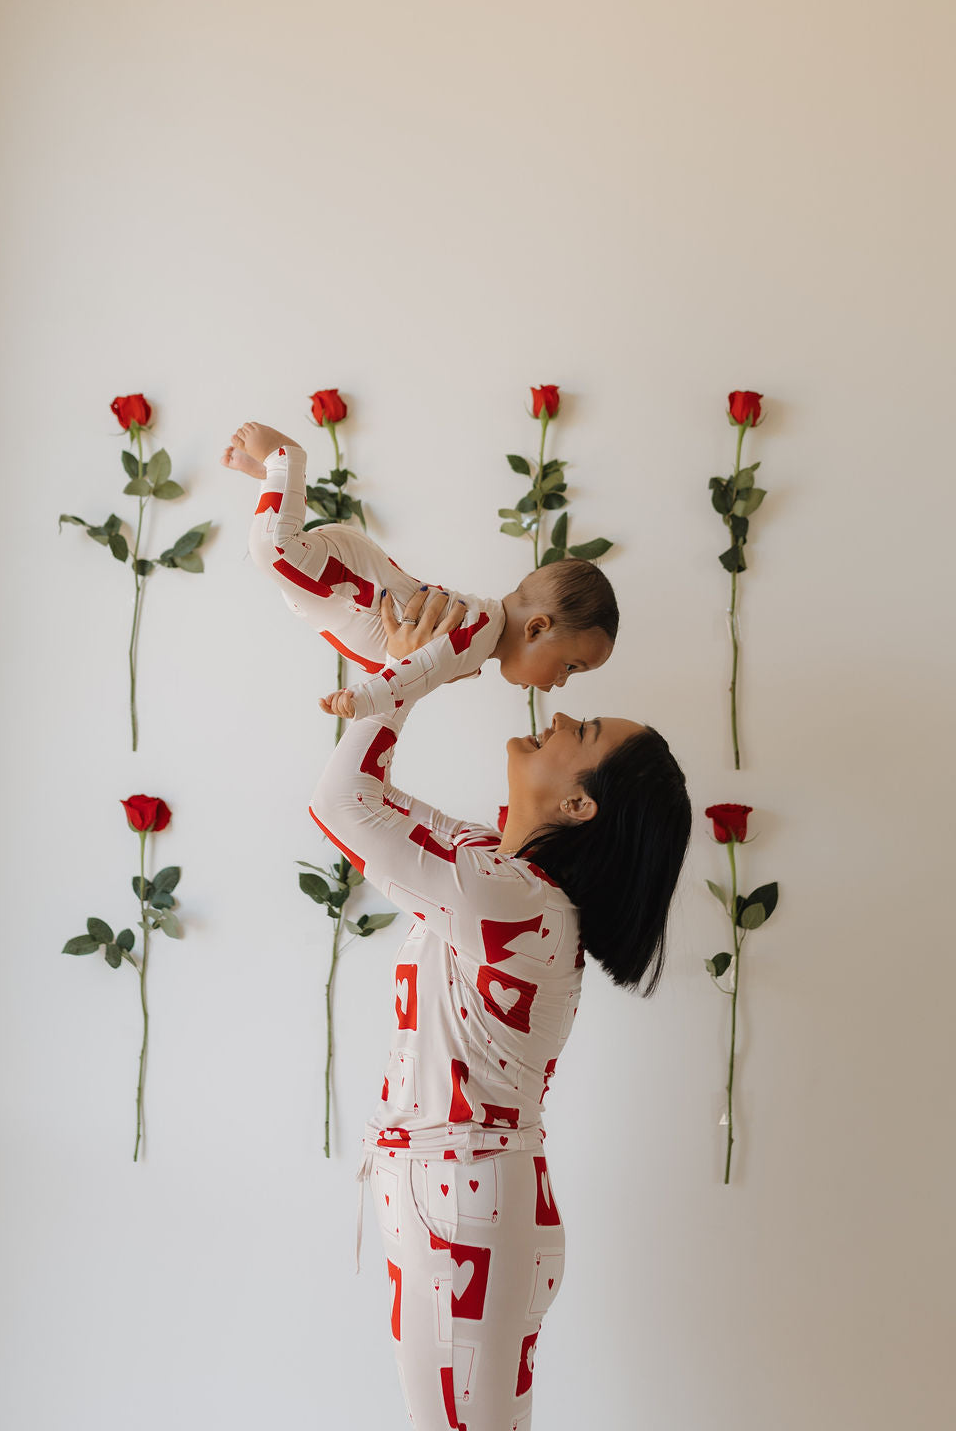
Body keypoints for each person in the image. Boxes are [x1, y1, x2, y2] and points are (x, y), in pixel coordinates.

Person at [306, 588, 692, 1431]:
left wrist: (423, 669)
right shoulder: (492, 871)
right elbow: (362, 794)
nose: (556, 718)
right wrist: (398, 673)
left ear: (580, 804)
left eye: (580, 735)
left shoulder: (514, 901)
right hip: (460, 1196)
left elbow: (339, 806)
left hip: (463, 1202)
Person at [222, 421, 618, 721]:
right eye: (569, 667)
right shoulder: (475, 632)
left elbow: (414, 669)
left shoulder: (479, 646)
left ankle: (270, 480)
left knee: (281, 561)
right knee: (272, 549)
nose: (561, 683)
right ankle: (285, 461)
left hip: (339, 602)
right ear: (536, 628)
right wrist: (364, 699)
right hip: (358, 591)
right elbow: (408, 675)